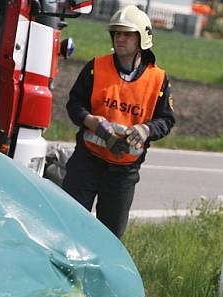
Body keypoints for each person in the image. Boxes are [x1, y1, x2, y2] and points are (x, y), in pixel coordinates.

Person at [63, 5, 175, 238]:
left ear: (142, 38)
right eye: (117, 33)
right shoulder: (96, 68)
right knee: (68, 225)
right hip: (86, 162)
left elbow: (166, 120)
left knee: (110, 237)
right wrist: (91, 121)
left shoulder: (158, 79)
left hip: (123, 173)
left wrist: (146, 129)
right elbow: (74, 105)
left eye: (127, 34)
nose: (120, 39)